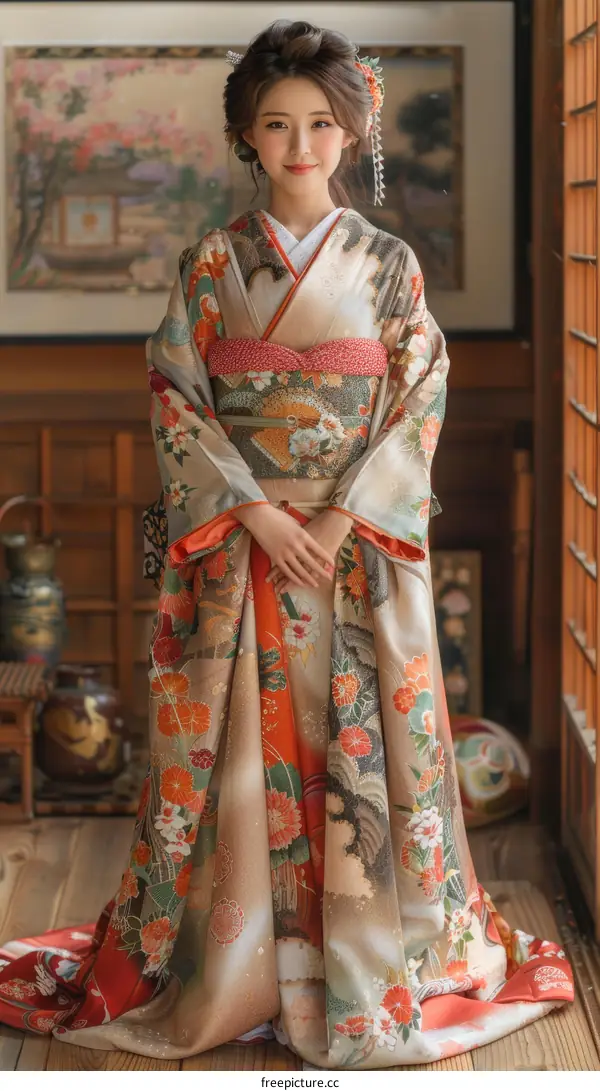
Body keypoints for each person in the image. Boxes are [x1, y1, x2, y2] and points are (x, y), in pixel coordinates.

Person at [0, 19, 573, 1070]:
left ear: (353, 134)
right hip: (243, 545)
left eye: (320, 124)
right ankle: (233, 966)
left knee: (364, 762)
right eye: (277, 124)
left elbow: (418, 401)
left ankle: (367, 963)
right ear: (247, 137)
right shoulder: (210, 262)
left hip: (353, 546)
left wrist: (338, 514)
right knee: (232, 759)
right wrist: (258, 512)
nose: (300, 145)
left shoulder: (389, 266)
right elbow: (176, 393)